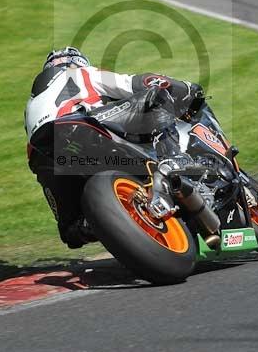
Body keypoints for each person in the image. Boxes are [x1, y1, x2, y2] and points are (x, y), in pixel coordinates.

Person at [24, 47, 203, 248]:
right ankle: (174, 158)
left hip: (45, 156)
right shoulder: (80, 73)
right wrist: (185, 89)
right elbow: (136, 83)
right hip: (82, 126)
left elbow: (33, 154)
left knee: (71, 230)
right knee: (156, 96)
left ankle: (96, 223)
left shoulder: (31, 104)